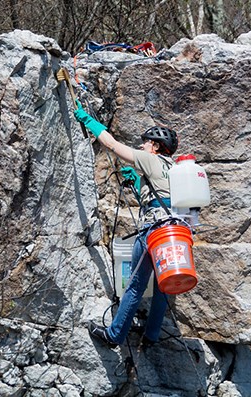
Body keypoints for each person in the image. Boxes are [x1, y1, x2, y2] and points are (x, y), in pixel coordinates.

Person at [74, 102, 179, 348]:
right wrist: (140, 183)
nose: (142, 145)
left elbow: (111, 145)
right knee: (164, 285)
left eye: (145, 142)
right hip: (176, 232)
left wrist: (90, 122)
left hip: (153, 231)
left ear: (155, 146)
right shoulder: (178, 169)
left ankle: (115, 335)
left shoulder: (149, 159)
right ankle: (152, 336)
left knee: (135, 285)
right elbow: (164, 193)